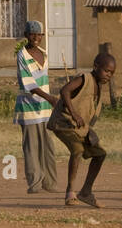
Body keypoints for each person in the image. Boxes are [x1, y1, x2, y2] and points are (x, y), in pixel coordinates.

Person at [47, 52, 115, 208]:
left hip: (78, 128)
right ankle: (70, 193)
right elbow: (64, 91)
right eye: (106, 71)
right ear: (96, 67)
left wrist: (89, 130)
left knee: (100, 154)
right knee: (77, 150)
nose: (108, 75)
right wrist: (74, 113)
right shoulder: (84, 79)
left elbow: (89, 113)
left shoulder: (99, 87)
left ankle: (86, 192)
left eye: (111, 73)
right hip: (63, 123)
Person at [14, 21, 59, 194]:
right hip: (28, 108)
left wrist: (50, 100)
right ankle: (35, 184)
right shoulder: (22, 55)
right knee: (32, 147)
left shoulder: (44, 55)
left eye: (39, 34)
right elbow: (29, 84)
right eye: (32, 34)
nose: (36, 37)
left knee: (47, 146)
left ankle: (50, 183)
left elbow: (44, 80)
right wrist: (51, 98)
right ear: (26, 35)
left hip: (45, 109)